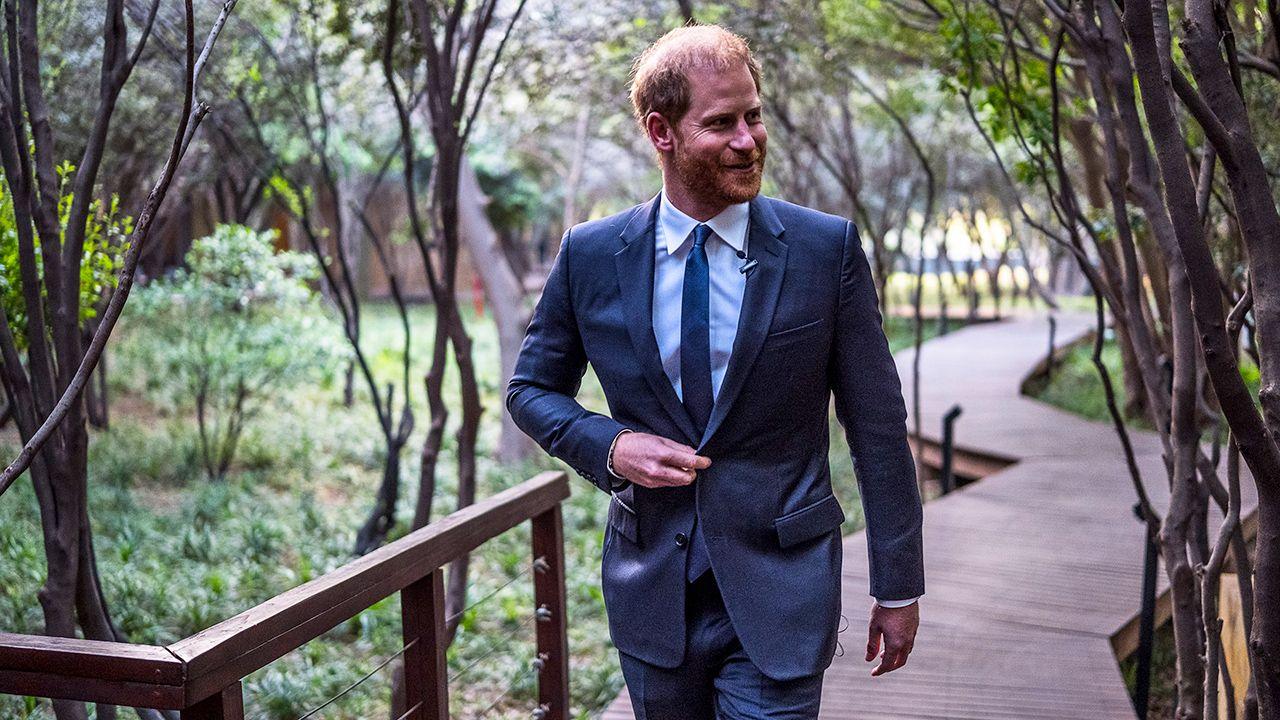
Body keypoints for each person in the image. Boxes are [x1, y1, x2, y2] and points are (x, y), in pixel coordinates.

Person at [506, 23, 924, 719]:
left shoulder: (826, 250)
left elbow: (878, 428)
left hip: (783, 589)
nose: (747, 139)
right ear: (661, 132)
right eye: (721, 123)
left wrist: (898, 585)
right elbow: (530, 390)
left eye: (754, 116)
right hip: (652, 592)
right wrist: (611, 446)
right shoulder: (591, 254)